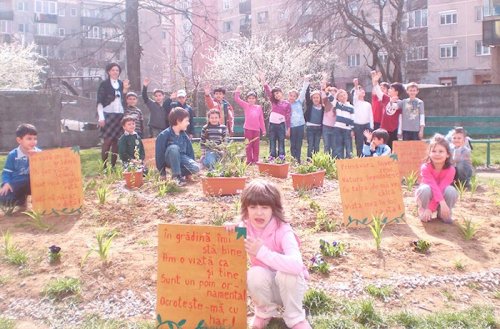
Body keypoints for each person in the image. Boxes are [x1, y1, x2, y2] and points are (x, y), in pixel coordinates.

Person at [225, 180, 311, 329]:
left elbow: (296, 265)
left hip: (290, 288)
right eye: (253, 207)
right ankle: (264, 313)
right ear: (246, 209)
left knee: (287, 273)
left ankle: (295, 318)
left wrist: (262, 253)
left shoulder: (283, 230)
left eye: (265, 207)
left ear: (274, 209)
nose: (259, 212)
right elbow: (230, 244)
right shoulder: (245, 228)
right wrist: (231, 228)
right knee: (254, 273)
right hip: (267, 288)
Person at [415, 134, 458, 223]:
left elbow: (441, 188)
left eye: (441, 151)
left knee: (451, 190)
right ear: (429, 153)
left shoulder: (451, 170)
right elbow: (434, 187)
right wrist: (429, 209)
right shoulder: (425, 167)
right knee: (425, 189)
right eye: (434, 151)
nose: (437, 154)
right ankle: (423, 211)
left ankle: (443, 213)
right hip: (428, 197)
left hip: (441, 199)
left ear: (448, 155)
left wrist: (436, 206)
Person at [155, 107, 200, 186]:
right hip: (169, 159)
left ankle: (178, 172)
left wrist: (189, 173)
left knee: (196, 168)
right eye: (186, 121)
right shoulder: (164, 135)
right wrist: (162, 173)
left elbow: (190, 152)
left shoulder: (184, 135)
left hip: (182, 159)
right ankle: (176, 176)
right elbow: (159, 155)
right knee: (174, 148)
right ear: (178, 121)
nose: (188, 123)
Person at [0, 124, 41, 209]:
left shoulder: (39, 153)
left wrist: (37, 158)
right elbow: (7, 172)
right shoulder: (13, 155)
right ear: (19, 140)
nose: (33, 142)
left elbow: (46, 170)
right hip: (17, 183)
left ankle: (38, 198)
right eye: (29, 138)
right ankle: (21, 198)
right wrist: (6, 183)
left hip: (34, 182)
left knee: (43, 188)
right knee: (4, 198)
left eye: (35, 138)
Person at [97, 62, 129, 168]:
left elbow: (124, 101)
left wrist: (124, 90)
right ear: (109, 72)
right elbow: (100, 102)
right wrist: (101, 117)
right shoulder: (104, 84)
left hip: (119, 115)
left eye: (117, 70)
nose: (115, 72)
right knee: (107, 141)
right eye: (113, 70)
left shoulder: (121, 83)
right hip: (107, 115)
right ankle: (105, 166)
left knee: (117, 141)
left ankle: (113, 165)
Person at [259, 72, 291, 158]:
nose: (276, 95)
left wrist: (288, 129)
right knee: (272, 141)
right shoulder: (273, 101)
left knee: (281, 141)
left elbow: (288, 117)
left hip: (281, 125)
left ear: (281, 93)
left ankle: (281, 156)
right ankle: (272, 156)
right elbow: (267, 89)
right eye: (275, 94)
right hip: (272, 125)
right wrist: (263, 80)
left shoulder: (287, 103)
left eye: (278, 93)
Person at [234, 86, 266, 164]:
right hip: (248, 129)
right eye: (249, 98)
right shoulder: (246, 105)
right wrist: (237, 91)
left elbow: (261, 119)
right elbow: (237, 99)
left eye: (253, 98)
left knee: (256, 145)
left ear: (255, 99)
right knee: (248, 145)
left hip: (256, 130)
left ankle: (255, 160)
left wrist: (264, 130)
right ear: (247, 99)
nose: (251, 100)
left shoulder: (258, 107)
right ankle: (249, 160)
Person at [371, 71, 403, 149]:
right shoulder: (386, 98)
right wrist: (375, 81)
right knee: (381, 148)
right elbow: (378, 91)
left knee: (391, 149)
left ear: (396, 92)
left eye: (391, 89)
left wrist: (399, 131)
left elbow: (400, 117)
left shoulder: (400, 103)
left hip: (393, 130)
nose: (389, 90)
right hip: (383, 129)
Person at [325, 88, 355, 159]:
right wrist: (326, 91)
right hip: (338, 129)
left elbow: (353, 119)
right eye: (341, 96)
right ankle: (340, 161)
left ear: (347, 96)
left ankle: (349, 162)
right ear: (338, 98)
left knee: (348, 147)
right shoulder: (337, 104)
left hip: (347, 130)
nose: (343, 97)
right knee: (338, 147)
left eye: (344, 95)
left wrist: (352, 130)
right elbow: (331, 98)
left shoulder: (351, 107)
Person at [288, 78, 308, 163]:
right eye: (291, 96)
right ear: (288, 96)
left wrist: (306, 82)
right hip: (292, 127)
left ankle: (298, 158)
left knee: (299, 143)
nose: (292, 97)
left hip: (300, 126)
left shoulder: (299, 102)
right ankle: (293, 158)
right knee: (293, 143)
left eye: (294, 96)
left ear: (296, 97)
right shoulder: (286, 105)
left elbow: (303, 92)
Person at [352, 80, 374, 157]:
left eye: (363, 91)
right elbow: (355, 96)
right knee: (359, 143)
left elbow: (371, 116)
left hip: (367, 126)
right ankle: (360, 157)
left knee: (368, 142)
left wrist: (371, 127)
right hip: (358, 126)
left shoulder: (367, 104)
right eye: (360, 91)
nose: (362, 92)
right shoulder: (356, 102)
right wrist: (356, 86)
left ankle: (368, 157)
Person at [304, 84, 324, 160]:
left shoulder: (322, 107)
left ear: (320, 98)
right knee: (310, 144)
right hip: (310, 128)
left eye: (317, 97)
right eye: (314, 98)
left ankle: (315, 160)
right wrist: (307, 83)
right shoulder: (310, 105)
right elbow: (307, 95)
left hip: (318, 128)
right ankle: (309, 160)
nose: (316, 99)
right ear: (311, 99)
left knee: (316, 145)